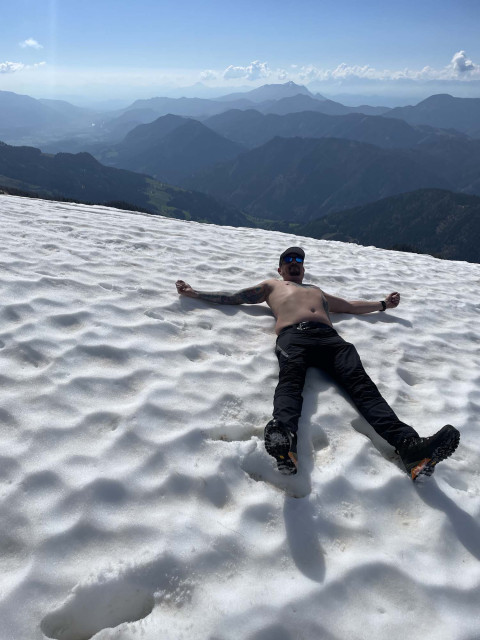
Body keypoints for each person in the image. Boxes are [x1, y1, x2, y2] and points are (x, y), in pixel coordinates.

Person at [176, 246, 460, 480]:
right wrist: (195, 293)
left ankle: (411, 449)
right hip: (293, 337)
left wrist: (383, 304)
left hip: (331, 341)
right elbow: (236, 297)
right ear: (280, 269)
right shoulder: (271, 286)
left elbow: (349, 306)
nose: (294, 263)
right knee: (290, 382)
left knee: (364, 389)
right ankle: (284, 439)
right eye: (288, 260)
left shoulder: (317, 291)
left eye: (298, 260)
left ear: (303, 268)